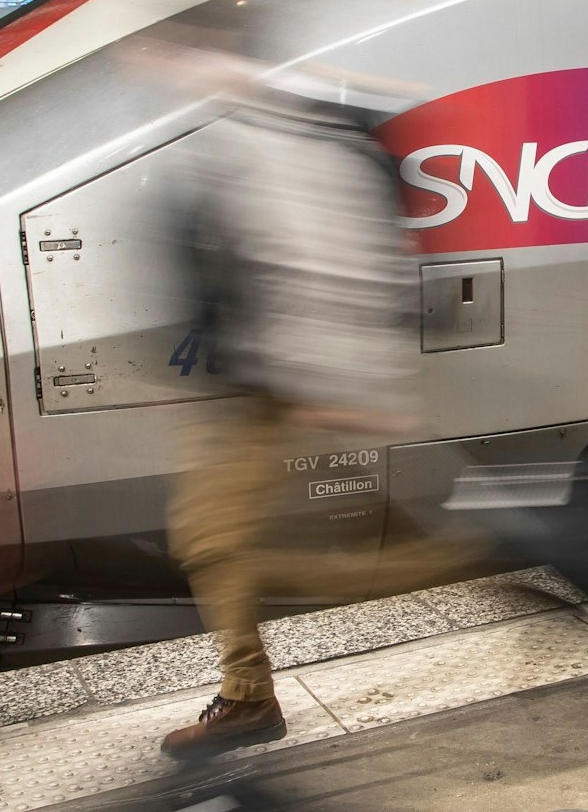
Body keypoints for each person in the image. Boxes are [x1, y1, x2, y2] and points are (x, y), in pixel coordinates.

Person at [160, 67, 418, 759]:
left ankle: (497, 560)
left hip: (283, 374)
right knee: (210, 536)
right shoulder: (235, 125)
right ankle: (248, 694)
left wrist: (332, 373)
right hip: (261, 374)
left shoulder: (289, 127)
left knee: (213, 539)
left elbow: (330, 254)